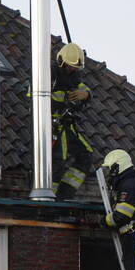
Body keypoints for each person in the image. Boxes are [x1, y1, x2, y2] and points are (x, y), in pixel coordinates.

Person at [51, 42, 93, 199]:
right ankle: (52, 197)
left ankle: (65, 194)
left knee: (86, 155)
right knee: (58, 161)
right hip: (51, 124)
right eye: (69, 66)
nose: (71, 69)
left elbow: (83, 88)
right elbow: (34, 98)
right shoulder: (49, 73)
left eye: (74, 67)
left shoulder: (74, 75)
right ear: (61, 61)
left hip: (66, 122)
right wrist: (64, 101)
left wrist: (86, 94)